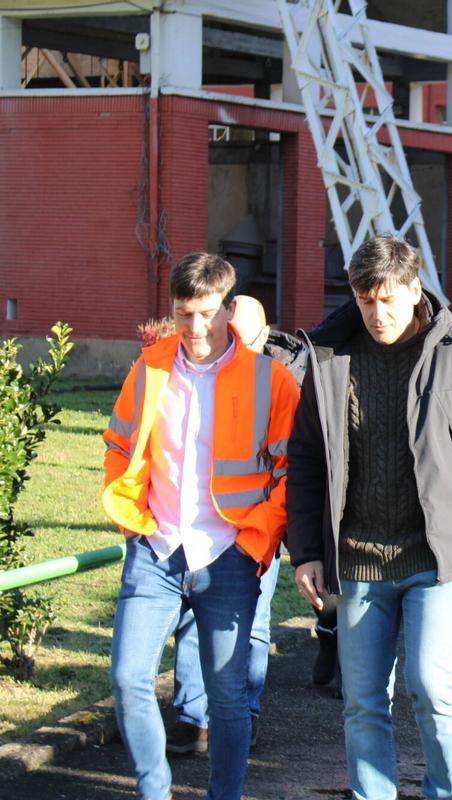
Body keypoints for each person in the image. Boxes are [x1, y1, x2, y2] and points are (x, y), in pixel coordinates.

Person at [285, 236, 452, 800]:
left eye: (389, 299)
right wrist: (308, 553)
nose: (378, 314)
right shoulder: (329, 360)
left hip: (436, 558)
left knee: (432, 686)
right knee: (362, 700)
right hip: (358, 560)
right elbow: (306, 460)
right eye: (366, 300)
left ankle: (445, 791)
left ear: (415, 290)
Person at [103, 255, 300, 800]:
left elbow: (292, 471)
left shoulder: (270, 379)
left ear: (228, 309)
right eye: (183, 313)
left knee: (228, 695)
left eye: (207, 313)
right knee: (127, 678)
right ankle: (154, 792)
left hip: (229, 553)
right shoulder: (150, 367)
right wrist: (132, 518)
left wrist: (254, 541)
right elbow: (119, 443)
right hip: (157, 548)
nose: (195, 327)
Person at [165, 295, 296, 755]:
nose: (231, 340)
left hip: (256, 534)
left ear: (264, 336)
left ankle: (245, 711)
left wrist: (263, 531)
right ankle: (191, 716)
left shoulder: (277, 380)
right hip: (202, 532)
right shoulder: (201, 375)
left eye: (242, 334)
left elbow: (291, 466)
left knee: (252, 623)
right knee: (191, 619)